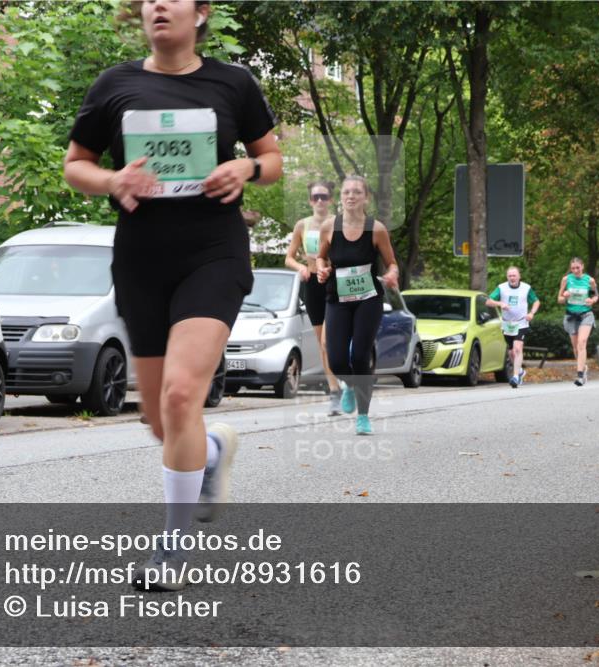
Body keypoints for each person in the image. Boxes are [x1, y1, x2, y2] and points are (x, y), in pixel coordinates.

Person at [63, 0, 281, 591]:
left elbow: (272, 157)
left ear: (200, 12)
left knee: (184, 395)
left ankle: (172, 549)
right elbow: (75, 165)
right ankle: (209, 452)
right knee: (161, 419)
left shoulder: (233, 83)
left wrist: (246, 171)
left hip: (213, 253)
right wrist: (112, 180)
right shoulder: (116, 85)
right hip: (141, 258)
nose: (157, 4)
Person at [316, 175, 399, 435]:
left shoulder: (376, 229)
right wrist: (321, 270)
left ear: (366, 197)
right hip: (338, 299)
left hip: (368, 300)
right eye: (346, 192)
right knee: (337, 357)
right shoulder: (330, 227)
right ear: (340, 197)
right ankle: (349, 385)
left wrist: (393, 274)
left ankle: (363, 416)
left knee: (361, 356)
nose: (350, 196)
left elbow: (392, 262)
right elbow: (320, 258)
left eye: (356, 192)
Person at [285, 181, 342, 414]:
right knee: (323, 344)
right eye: (316, 197)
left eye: (324, 197)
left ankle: (347, 379)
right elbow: (288, 257)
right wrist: (300, 267)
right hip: (313, 285)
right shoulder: (302, 225)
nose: (320, 201)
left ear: (330, 200)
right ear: (310, 201)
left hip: (335, 282)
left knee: (333, 340)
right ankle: (335, 391)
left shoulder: (338, 223)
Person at [486, 266, 540, 388]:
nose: (512, 278)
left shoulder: (526, 288)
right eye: (510, 276)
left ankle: (515, 377)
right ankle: (520, 371)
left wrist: (531, 313)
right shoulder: (502, 288)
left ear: (519, 276)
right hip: (507, 324)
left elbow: (536, 301)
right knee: (511, 352)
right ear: (507, 277)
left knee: (517, 348)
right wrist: (500, 303)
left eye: (514, 275)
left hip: (521, 322)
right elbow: (488, 301)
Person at [557, 257, 599, 386]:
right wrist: (564, 297)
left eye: (577, 268)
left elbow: (596, 295)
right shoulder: (566, 279)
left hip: (586, 315)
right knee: (575, 348)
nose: (575, 270)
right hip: (571, 316)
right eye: (573, 268)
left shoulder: (590, 280)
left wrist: (592, 301)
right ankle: (583, 367)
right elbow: (559, 299)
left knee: (582, 343)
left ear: (582, 267)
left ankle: (580, 375)